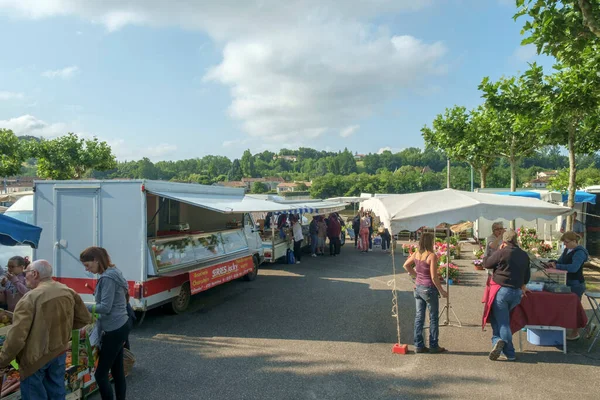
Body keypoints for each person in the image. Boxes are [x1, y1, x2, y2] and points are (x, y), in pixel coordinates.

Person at [0, 260, 91, 400]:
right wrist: (62, 331)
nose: (25, 277)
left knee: (35, 394)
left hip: (35, 357)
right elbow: (84, 318)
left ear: (34, 274)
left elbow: (16, 337)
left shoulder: (30, 298)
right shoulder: (67, 290)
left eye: (26, 274)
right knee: (56, 391)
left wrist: (3, 360)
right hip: (59, 350)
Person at [80, 247, 130, 400]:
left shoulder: (107, 278)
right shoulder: (114, 272)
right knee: (117, 371)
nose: (87, 269)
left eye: (88, 265)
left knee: (101, 375)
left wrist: (81, 305)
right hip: (121, 324)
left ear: (96, 260)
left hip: (114, 329)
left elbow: (105, 308)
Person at [483, 230, 530, 361]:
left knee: (503, 323)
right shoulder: (524, 255)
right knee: (499, 319)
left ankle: (509, 352)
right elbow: (527, 276)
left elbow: (487, 264)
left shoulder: (502, 252)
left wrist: (490, 253)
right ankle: (496, 343)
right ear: (516, 240)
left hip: (502, 290)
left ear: (504, 241)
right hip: (516, 292)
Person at [402, 233, 447, 354]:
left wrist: (416, 276)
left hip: (418, 287)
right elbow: (433, 277)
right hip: (429, 289)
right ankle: (433, 345)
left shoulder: (416, 253)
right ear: (430, 242)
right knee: (433, 317)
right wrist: (442, 291)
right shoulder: (431, 256)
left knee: (419, 317)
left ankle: (418, 345)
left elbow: (406, 265)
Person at [546, 231, 589, 340]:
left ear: (574, 241)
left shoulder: (580, 252)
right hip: (568, 282)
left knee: (575, 309)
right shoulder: (567, 250)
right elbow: (560, 262)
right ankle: (585, 327)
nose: (565, 244)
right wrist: (552, 262)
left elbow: (574, 268)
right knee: (570, 307)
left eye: (566, 242)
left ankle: (576, 332)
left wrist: (557, 266)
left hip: (576, 283)